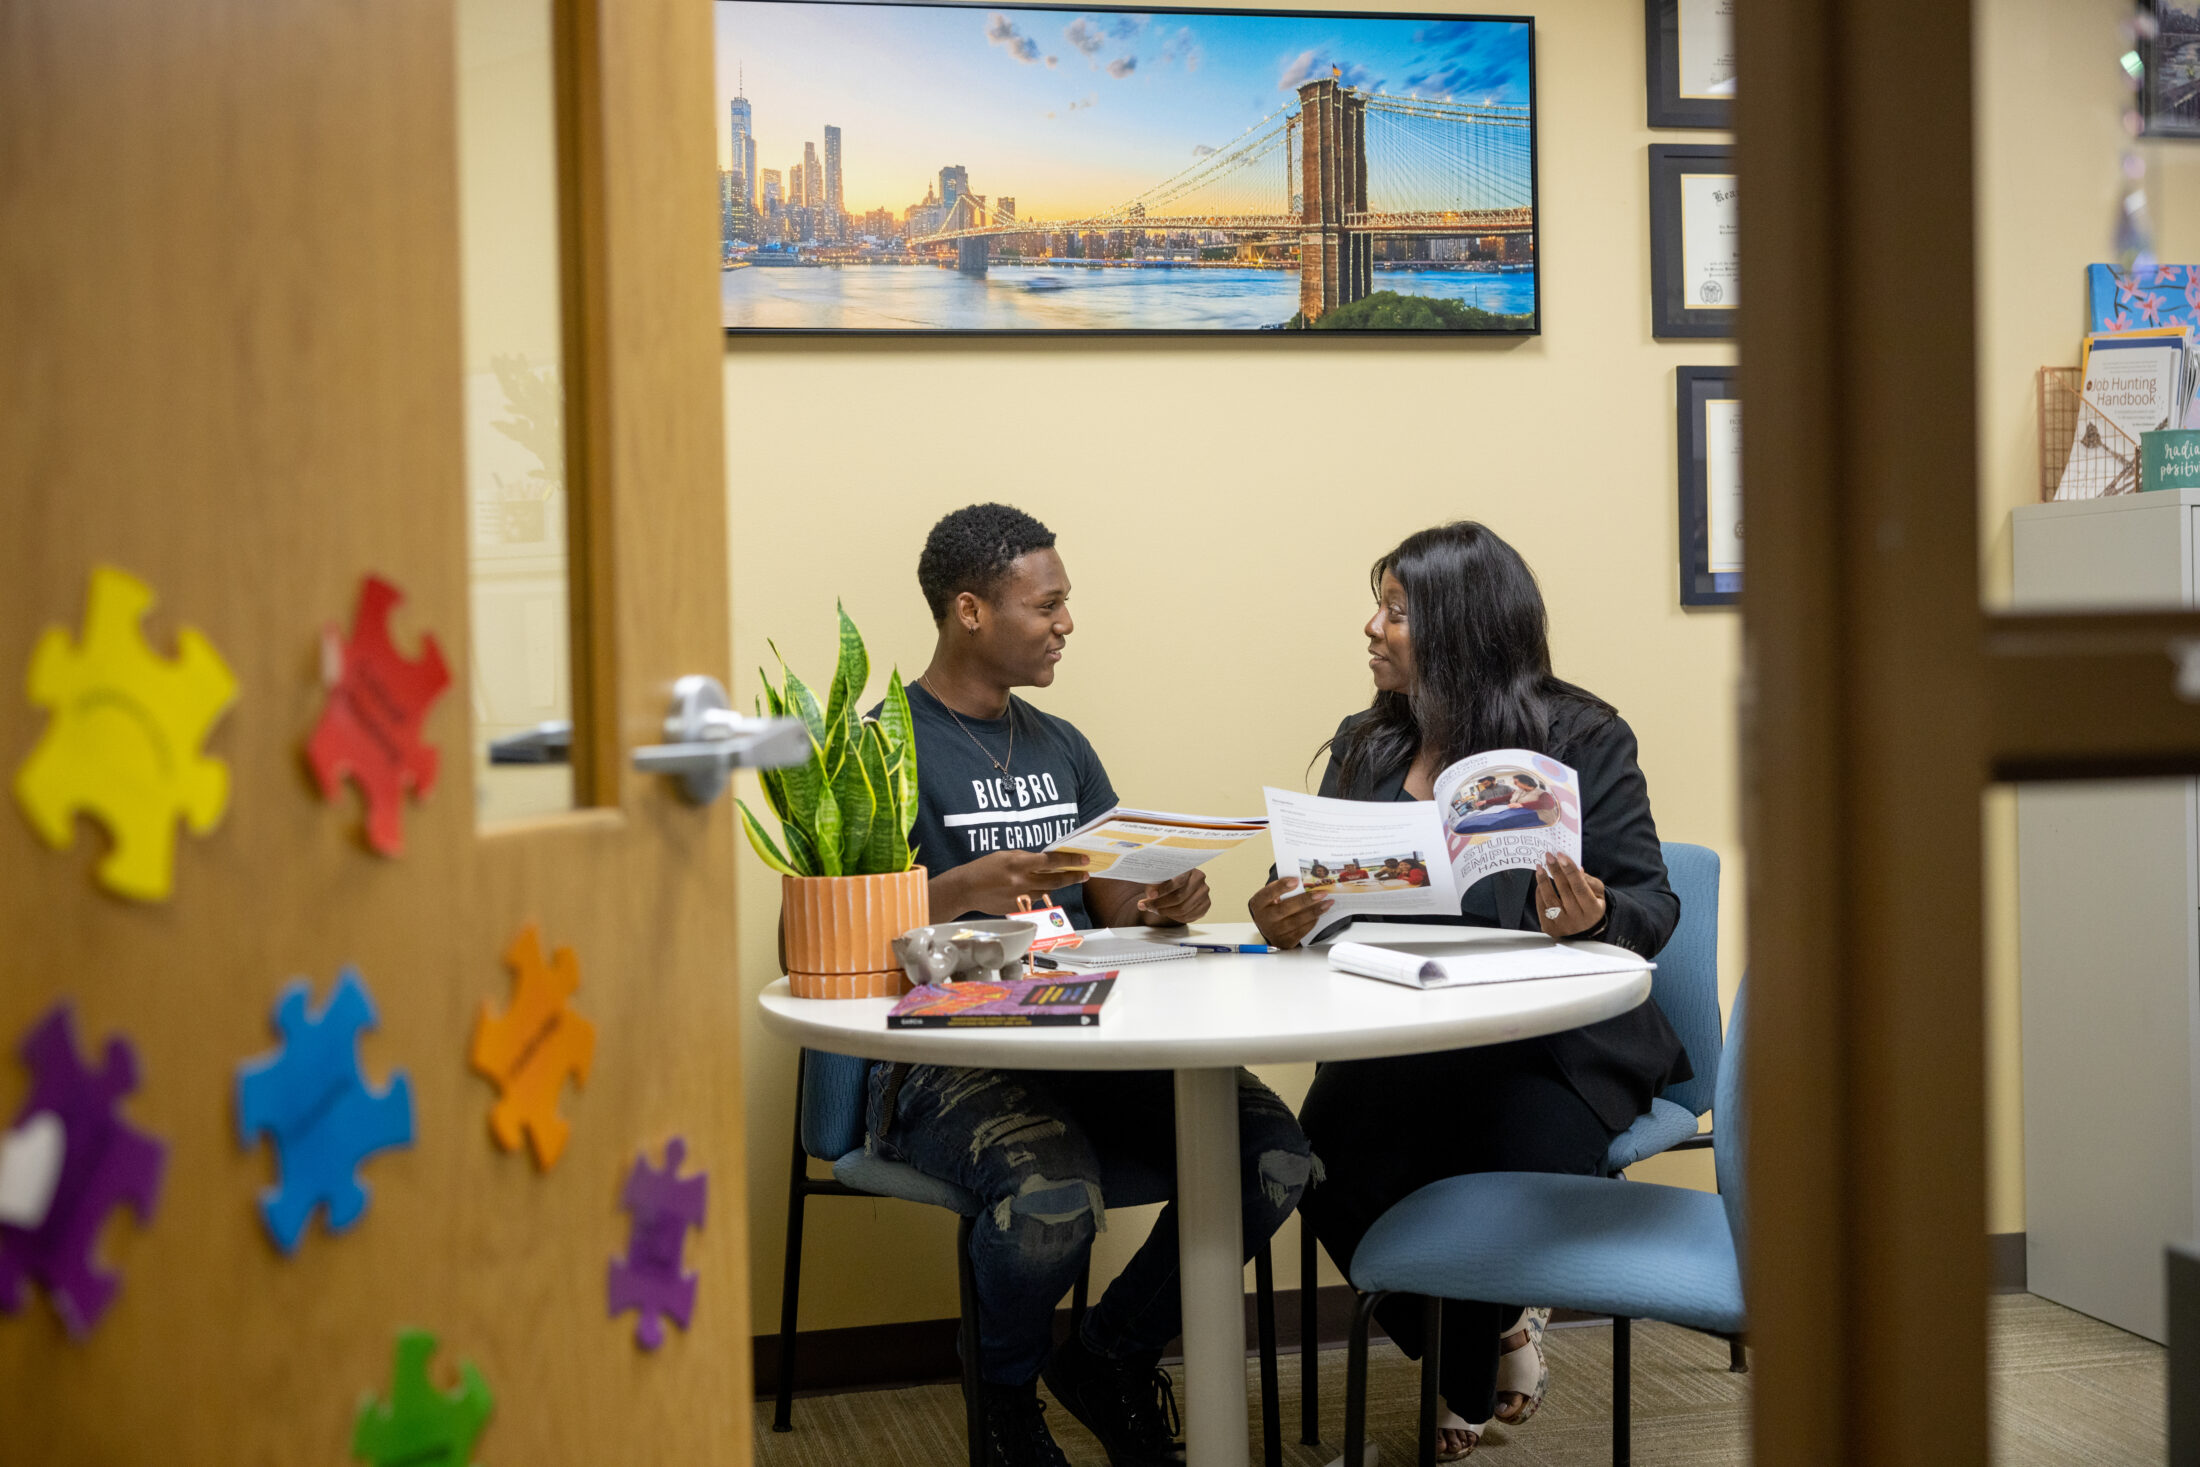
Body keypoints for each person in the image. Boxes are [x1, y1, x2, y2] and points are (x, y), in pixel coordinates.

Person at [868, 503, 1315, 1467]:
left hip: (1088, 1034)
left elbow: (1107, 893)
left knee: (1274, 1154)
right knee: (1051, 1194)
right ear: (971, 610)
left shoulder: (1060, 741)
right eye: (1049, 604)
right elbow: (815, 932)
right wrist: (960, 890)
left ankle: (1108, 1355)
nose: (1068, 621)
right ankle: (1004, 1397)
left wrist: (1159, 898)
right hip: (947, 1051)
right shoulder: (880, 748)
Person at [1247, 521, 1689, 1461]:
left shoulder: (1581, 736)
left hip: (1553, 1043)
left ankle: (1459, 1374)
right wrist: (1288, 913)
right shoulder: (1369, 744)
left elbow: (1652, 903)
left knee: (1497, 1170)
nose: (1372, 628)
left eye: (1396, 611)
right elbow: (1326, 899)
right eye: (1379, 606)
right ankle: (1486, 1343)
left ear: (1459, 628)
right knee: (1303, 1162)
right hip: (1404, 1036)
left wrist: (1593, 914)